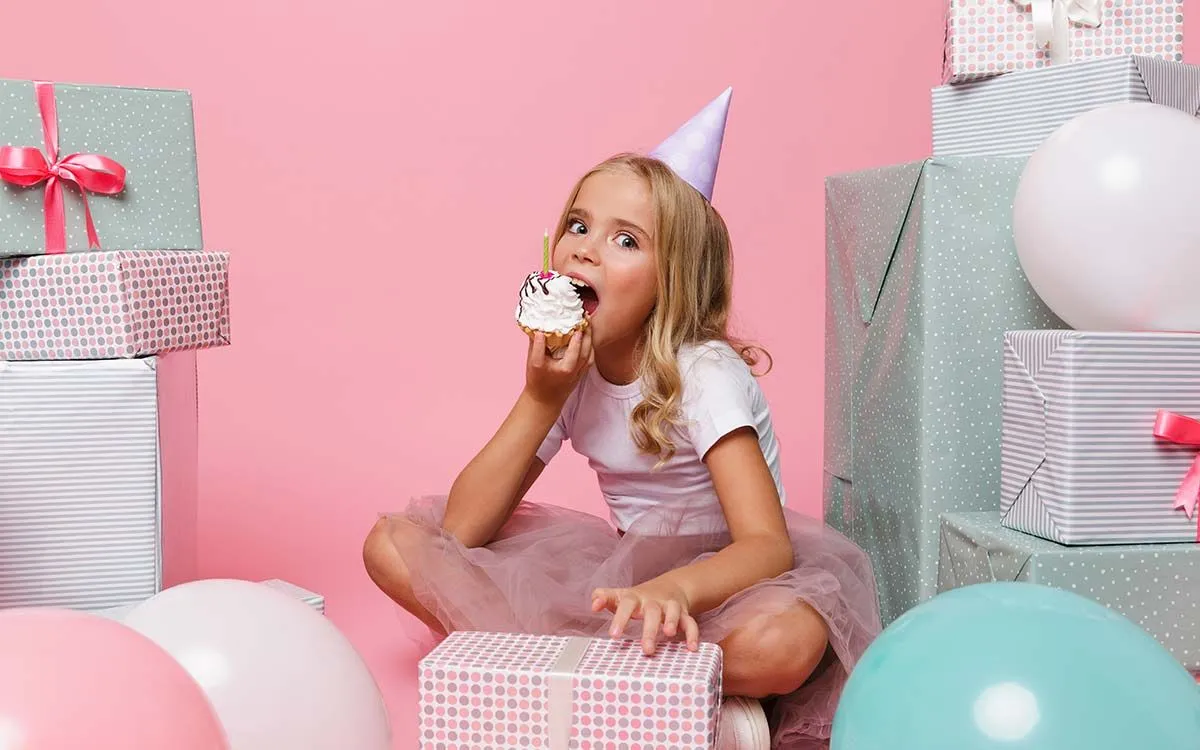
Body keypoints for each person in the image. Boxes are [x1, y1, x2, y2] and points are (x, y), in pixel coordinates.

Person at [362, 88, 881, 749]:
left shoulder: (704, 373)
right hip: (623, 576)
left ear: (674, 280)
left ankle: (661, 695)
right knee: (390, 545)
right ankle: (629, 685)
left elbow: (766, 545)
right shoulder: (569, 368)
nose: (585, 250)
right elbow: (463, 527)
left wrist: (677, 589)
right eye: (578, 226)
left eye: (626, 239)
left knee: (784, 642)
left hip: (729, 576)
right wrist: (541, 397)